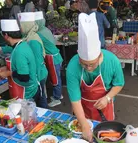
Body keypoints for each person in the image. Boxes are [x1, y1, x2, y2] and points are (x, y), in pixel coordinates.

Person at [66, 13, 124, 142]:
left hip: (105, 106)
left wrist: (107, 97)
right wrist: (84, 124)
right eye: (84, 64)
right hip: (82, 107)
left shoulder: (112, 61)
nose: (88, 68)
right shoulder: (72, 66)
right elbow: (75, 100)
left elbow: (119, 83)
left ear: (100, 56)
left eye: (92, 64)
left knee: (105, 137)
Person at [0, 19, 46, 108]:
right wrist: (3, 69)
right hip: (31, 88)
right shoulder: (22, 45)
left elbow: (24, 76)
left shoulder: (19, 51)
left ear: (6, 35)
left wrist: (7, 73)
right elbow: (20, 66)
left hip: (27, 93)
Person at [18, 12, 48, 108]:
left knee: (41, 99)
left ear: (27, 25)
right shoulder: (28, 37)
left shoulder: (33, 40)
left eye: (21, 26)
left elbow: (38, 63)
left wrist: (36, 80)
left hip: (39, 75)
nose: (20, 28)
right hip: (37, 74)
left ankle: (44, 118)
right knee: (41, 96)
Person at [35, 11, 63, 107]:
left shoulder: (38, 33)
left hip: (53, 58)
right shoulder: (45, 29)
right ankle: (59, 94)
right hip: (56, 56)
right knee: (57, 77)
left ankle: (57, 98)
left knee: (55, 79)